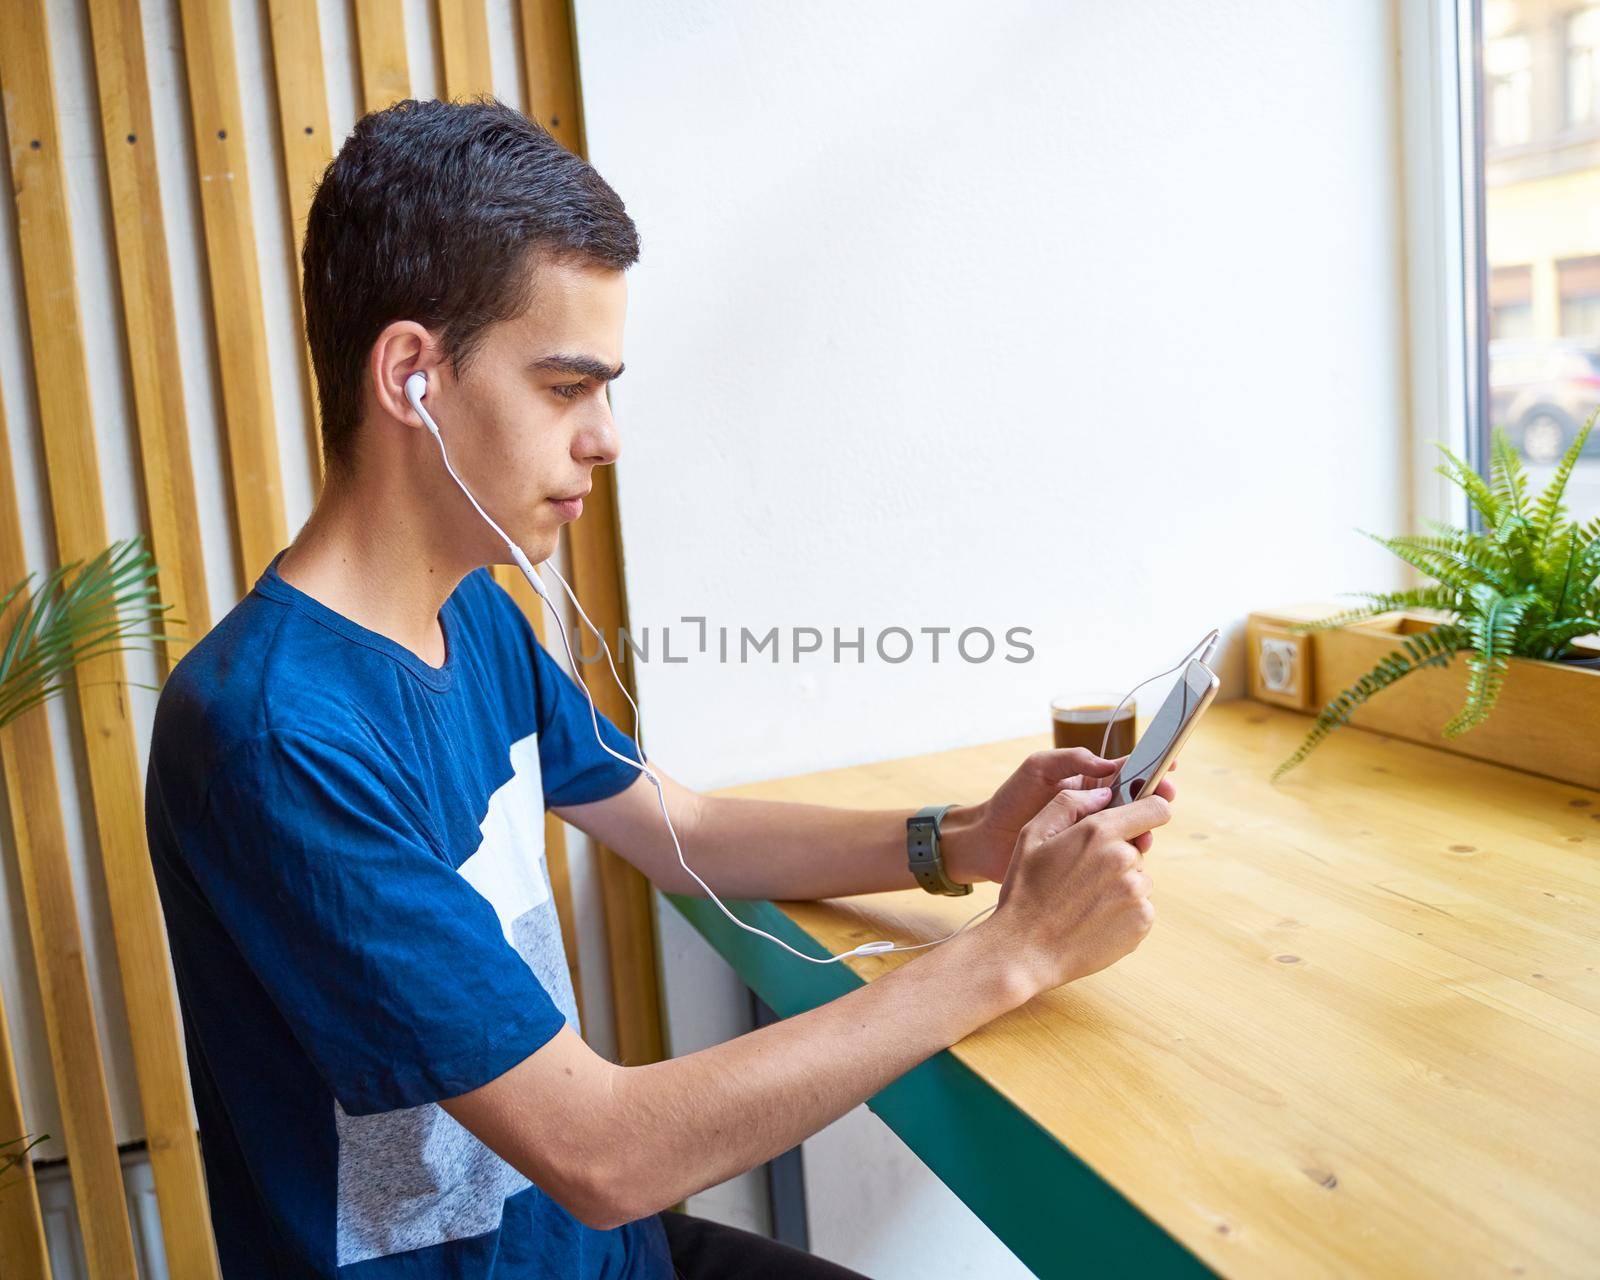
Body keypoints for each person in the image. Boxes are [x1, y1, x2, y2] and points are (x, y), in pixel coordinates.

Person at [144, 98, 1174, 1280]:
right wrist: (1014, 952)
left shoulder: (470, 609)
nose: (608, 437)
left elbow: (678, 827)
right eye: (566, 388)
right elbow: (602, 1148)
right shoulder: (271, 733)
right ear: (411, 375)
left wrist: (965, 839)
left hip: (598, 1251)